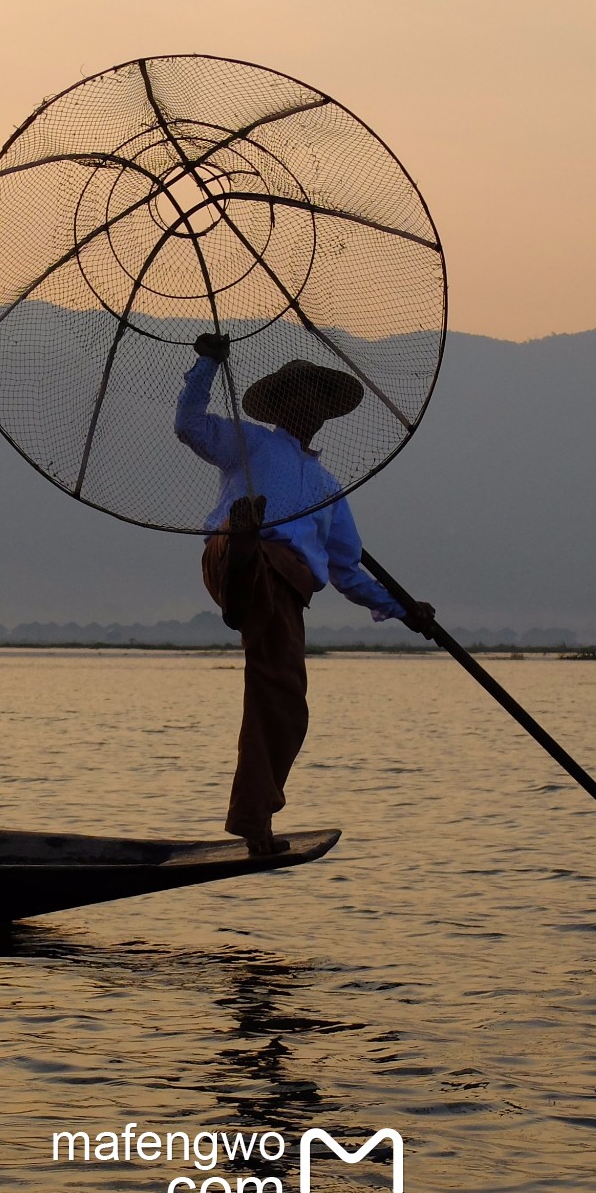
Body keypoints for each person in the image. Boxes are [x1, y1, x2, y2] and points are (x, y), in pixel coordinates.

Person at [175, 332, 437, 854]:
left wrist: (406, 611)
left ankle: (254, 820)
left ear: (323, 412)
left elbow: (348, 572)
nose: (308, 406)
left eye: (316, 399)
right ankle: (247, 546)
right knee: (248, 533)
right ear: (281, 404)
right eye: (298, 396)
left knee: (287, 707)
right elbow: (188, 425)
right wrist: (206, 363)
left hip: (284, 593)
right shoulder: (251, 444)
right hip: (232, 558)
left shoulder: (327, 487)